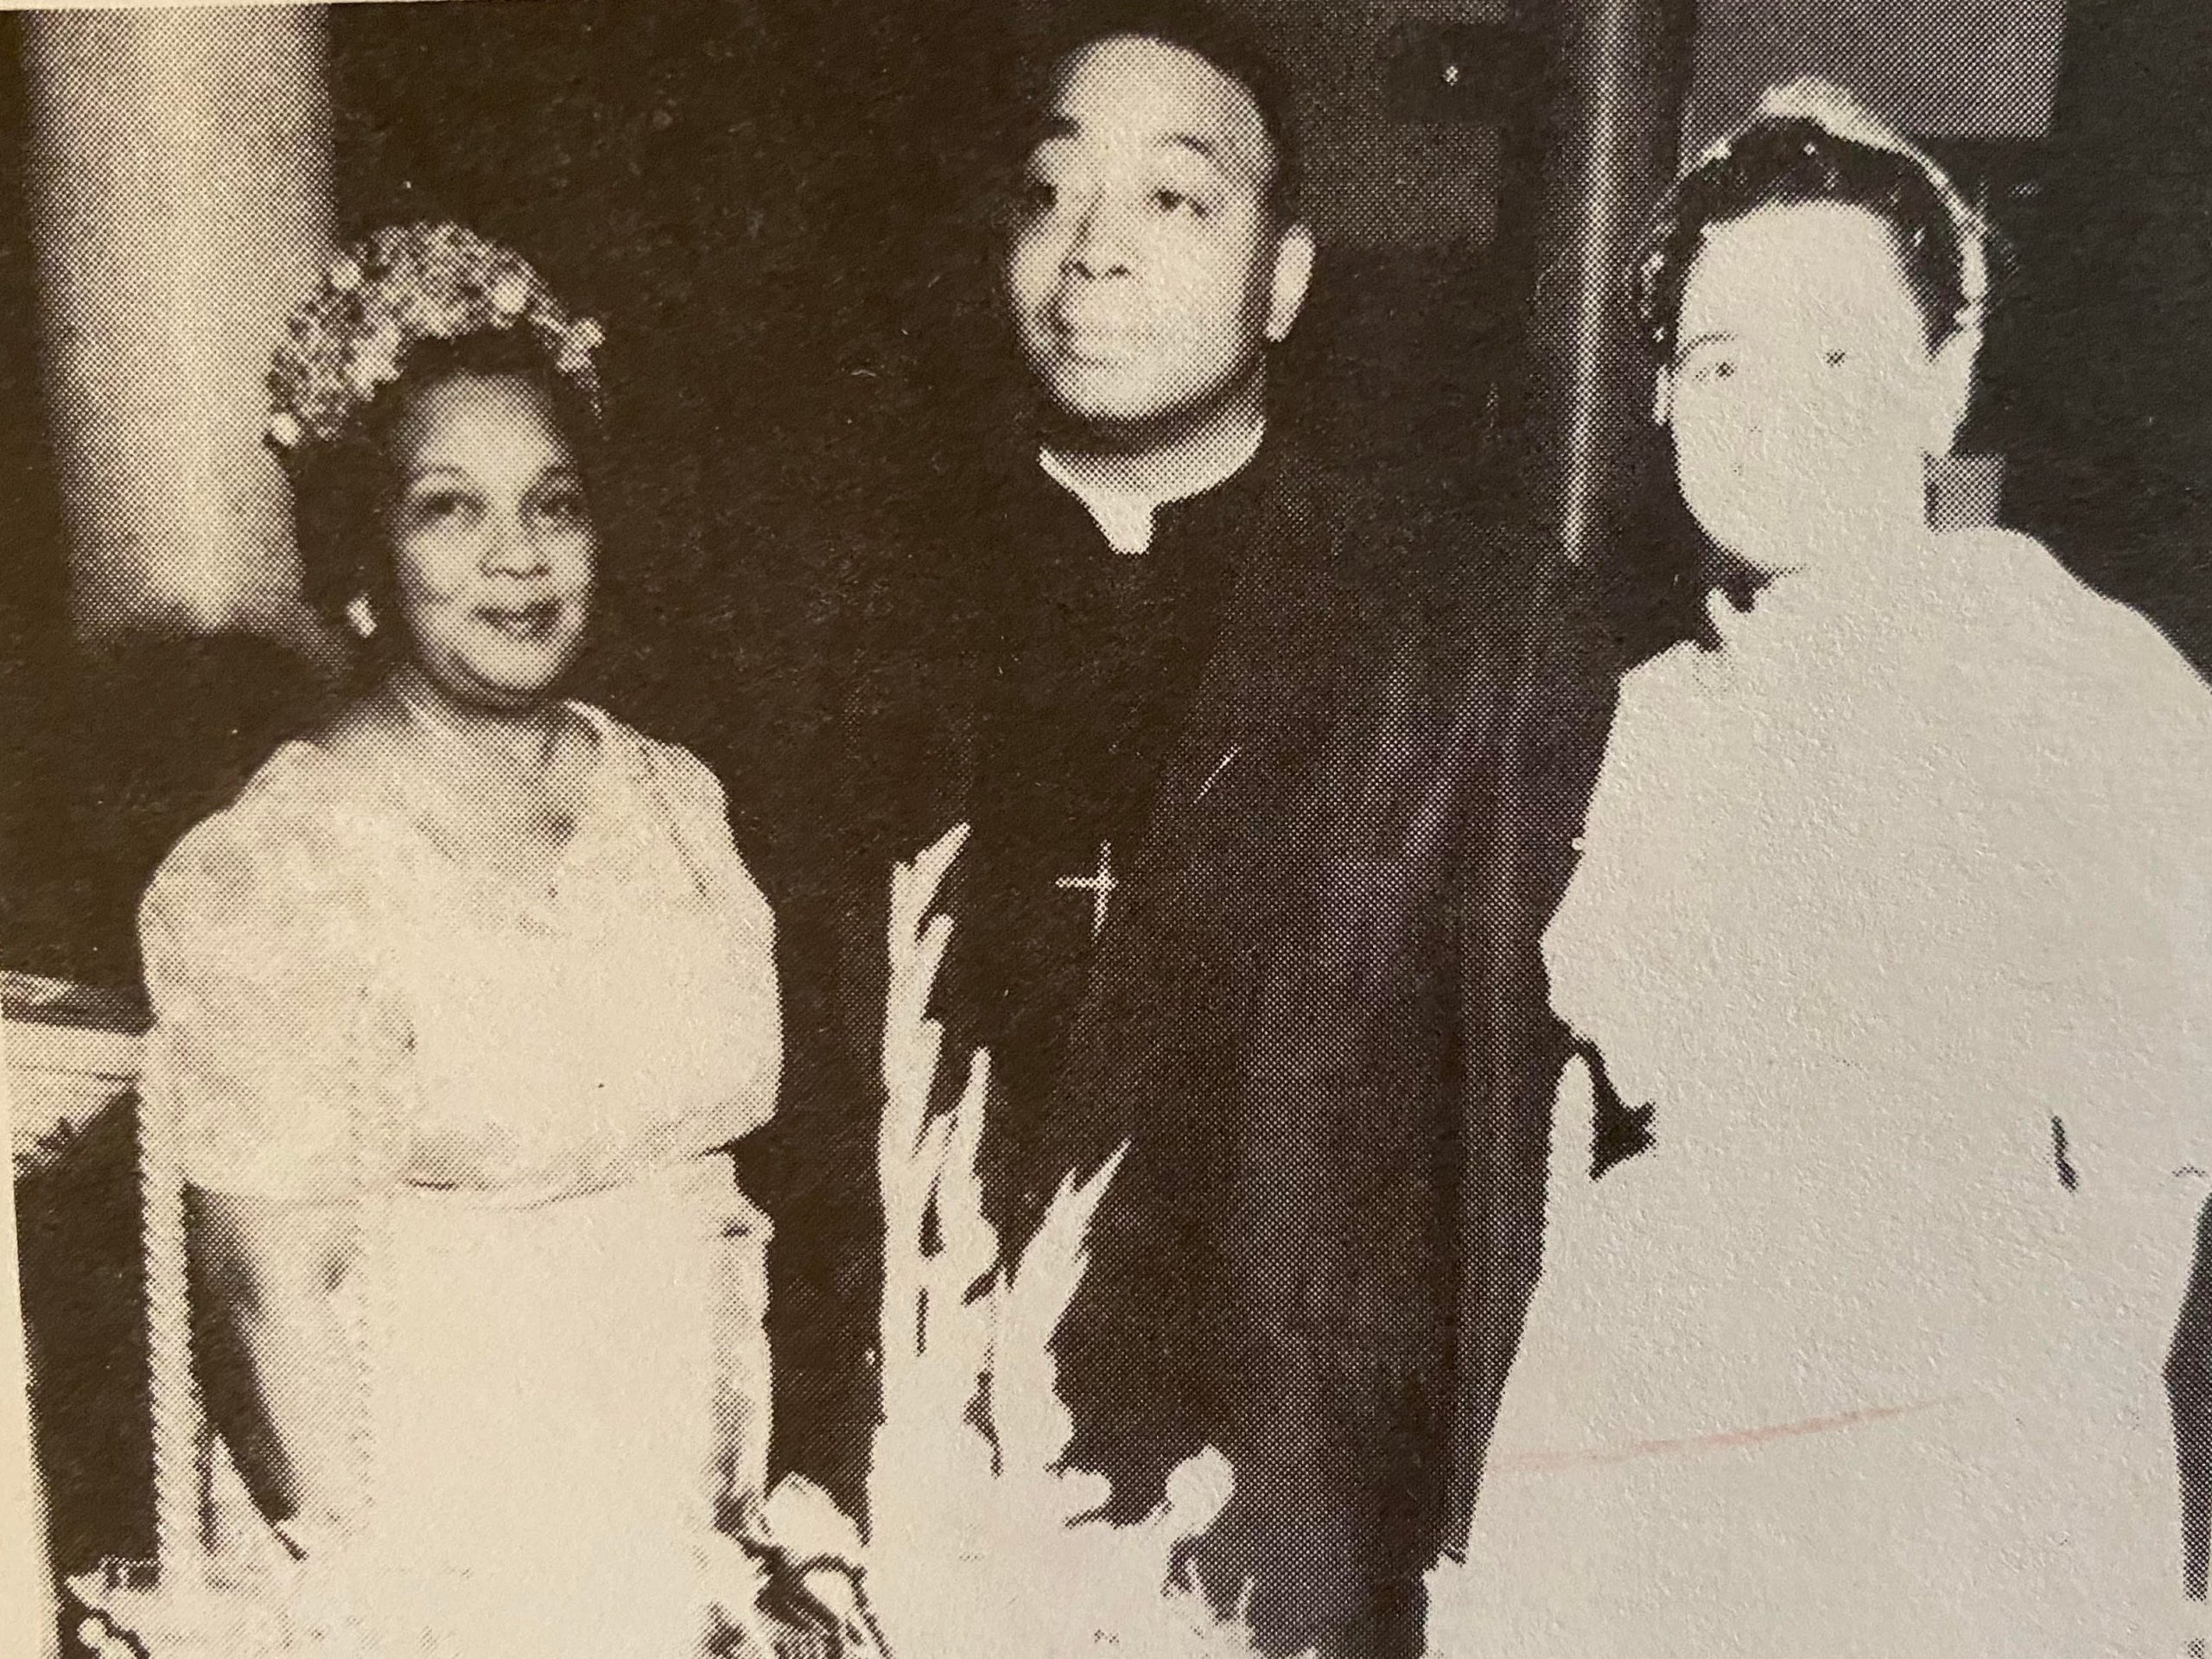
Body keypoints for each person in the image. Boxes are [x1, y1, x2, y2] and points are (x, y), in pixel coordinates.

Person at [770, 4, 1549, 1653]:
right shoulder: (863, 605)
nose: (1093, 253)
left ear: (1286, 279)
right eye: (1053, 195)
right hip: (912, 1487)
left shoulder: (1450, 630)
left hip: (1288, 1510)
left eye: (1175, 200)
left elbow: (1487, 1147)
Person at [1460, 82, 2212, 1654]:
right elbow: (1581, 1144)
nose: (1771, 406)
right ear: (1658, 401)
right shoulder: (1644, 713)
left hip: (1948, 1487)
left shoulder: (2077, 683)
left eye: (1841, 356)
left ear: (1946, 385)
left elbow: (2164, 1159)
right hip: (1642, 1446)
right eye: (1717, 361)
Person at [137, 225, 781, 1658]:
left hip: (683, 1494)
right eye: (451, 509)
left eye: (554, 503)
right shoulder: (278, 868)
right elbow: (268, 1303)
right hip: (431, 1537)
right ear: (365, 556)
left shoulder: (673, 800)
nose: (519, 556)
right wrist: (395, 1609)